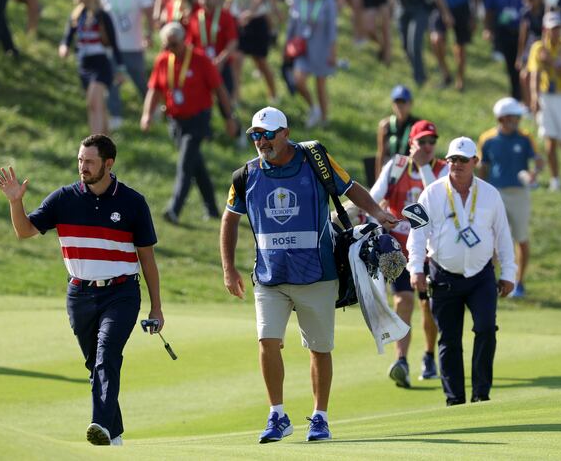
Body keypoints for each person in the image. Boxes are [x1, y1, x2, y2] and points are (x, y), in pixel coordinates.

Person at [219, 106, 397, 443]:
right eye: (256, 135)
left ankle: (320, 417)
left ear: (285, 133)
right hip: (270, 277)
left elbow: (351, 187)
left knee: (319, 348)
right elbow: (229, 220)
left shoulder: (314, 159)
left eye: (268, 134)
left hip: (318, 274)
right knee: (267, 341)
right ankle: (277, 414)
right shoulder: (245, 175)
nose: (261, 141)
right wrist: (229, 269)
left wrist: (377, 212)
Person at [0, 134, 165, 447]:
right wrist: (15, 202)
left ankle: (99, 424)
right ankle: (115, 436)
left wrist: (156, 307)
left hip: (122, 293)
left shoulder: (133, 203)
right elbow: (24, 231)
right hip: (80, 295)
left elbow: (148, 260)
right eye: (80, 160)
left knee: (107, 355)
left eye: (89, 162)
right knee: (95, 365)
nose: (82, 167)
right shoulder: (64, 199)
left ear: (108, 163)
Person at [407, 136, 516, 406]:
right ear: (447, 161)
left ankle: (481, 394)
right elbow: (417, 234)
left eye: (463, 160)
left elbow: (503, 235)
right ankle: (455, 400)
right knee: (450, 339)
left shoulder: (490, 194)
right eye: (452, 159)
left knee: (486, 329)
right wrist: (415, 268)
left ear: (475, 162)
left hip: (481, 276)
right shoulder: (431, 193)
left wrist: (509, 273)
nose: (457, 164)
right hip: (443, 275)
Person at [370, 119, 446, 387]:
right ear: (411, 143)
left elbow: (435, 200)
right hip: (397, 249)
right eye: (421, 142)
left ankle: (428, 355)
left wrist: (424, 167)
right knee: (403, 301)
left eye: (431, 142)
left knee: (428, 306)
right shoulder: (397, 166)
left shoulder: (443, 169)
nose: (427, 147)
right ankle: (401, 360)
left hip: (431, 251)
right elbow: (374, 196)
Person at [140, 22, 238, 224]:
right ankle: (211, 209)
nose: (170, 49)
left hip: (198, 119)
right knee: (196, 165)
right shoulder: (163, 60)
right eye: (167, 45)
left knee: (185, 163)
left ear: (184, 40)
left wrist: (229, 118)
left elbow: (220, 91)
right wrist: (147, 114)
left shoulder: (201, 60)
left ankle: (174, 209)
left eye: (173, 44)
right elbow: (154, 89)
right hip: (175, 121)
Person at [478, 97, 544, 298]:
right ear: (503, 118)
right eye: (514, 117)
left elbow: (539, 161)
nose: (517, 121)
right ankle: (489, 281)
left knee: (521, 238)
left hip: (519, 193)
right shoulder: (487, 139)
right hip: (494, 193)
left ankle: (519, 282)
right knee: (491, 239)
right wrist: (481, 192)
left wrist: (535, 172)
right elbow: (483, 167)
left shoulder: (525, 138)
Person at [59, 0, 124, 135]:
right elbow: (68, 36)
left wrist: (121, 68)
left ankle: (95, 141)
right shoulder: (77, 15)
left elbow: (114, 43)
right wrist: (64, 47)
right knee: (95, 105)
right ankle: (105, 140)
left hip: (100, 64)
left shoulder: (103, 16)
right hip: (84, 64)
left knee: (94, 101)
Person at [98, 0, 154, 130]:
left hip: (133, 44)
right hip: (112, 45)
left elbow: (149, 13)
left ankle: (153, 109)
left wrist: (149, 34)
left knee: (139, 79)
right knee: (112, 80)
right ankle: (115, 114)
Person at [526, 11, 561, 192]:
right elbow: (534, 74)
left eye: (558, 28)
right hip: (546, 96)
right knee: (550, 140)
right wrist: (534, 97)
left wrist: (553, 62)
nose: (556, 32)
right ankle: (555, 180)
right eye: (552, 29)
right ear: (545, 30)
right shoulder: (538, 47)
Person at [385, 0, 453, 87]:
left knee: (415, 42)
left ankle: (420, 79)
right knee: (405, 46)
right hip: (403, 9)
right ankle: (418, 70)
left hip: (420, 10)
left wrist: (445, 12)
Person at [285, 0, 337, 128]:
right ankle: (313, 108)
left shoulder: (328, 1)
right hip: (302, 48)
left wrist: (332, 51)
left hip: (321, 47)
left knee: (320, 84)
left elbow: (331, 29)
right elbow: (292, 24)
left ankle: (324, 118)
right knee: (298, 80)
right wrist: (287, 45)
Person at [225, 0, 277, 107]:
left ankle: (273, 93)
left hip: (256, 21)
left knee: (260, 61)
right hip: (238, 21)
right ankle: (235, 96)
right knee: (237, 60)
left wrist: (250, 12)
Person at [187, 0, 239, 125]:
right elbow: (190, 44)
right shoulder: (196, 17)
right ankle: (205, 131)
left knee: (226, 100)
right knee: (202, 102)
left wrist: (221, 60)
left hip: (221, 66)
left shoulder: (225, 16)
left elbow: (233, 41)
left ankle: (235, 129)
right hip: (202, 68)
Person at [483, 0, 527, 100]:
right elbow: (489, 9)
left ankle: (526, 96)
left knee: (525, 66)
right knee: (511, 66)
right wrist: (488, 28)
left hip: (523, 31)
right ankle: (516, 96)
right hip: (505, 31)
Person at [375, 85, 420, 181]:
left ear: (410, 103)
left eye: (403, 102)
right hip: (389, 170)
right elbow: (381, 153)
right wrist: (378, 179)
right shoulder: (385, 125)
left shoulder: (417, 125)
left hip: (409, 171)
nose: (400, 106)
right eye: (397, 102)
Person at [516, 0, 544, 111]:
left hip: (544, 49)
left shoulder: (548, 11)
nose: (530, 2)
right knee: (525, 76)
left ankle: (539, 104)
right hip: (531, 48)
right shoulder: (525, 13)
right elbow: (523, 36)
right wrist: (520, 56)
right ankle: (528, 106)